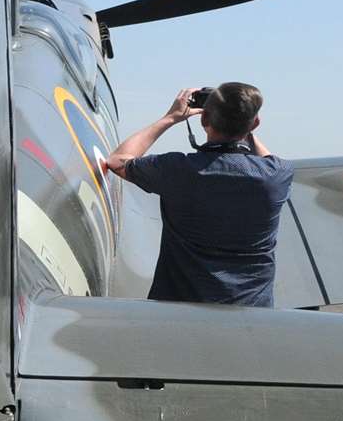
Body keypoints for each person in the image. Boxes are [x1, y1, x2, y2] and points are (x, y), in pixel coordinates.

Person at [100, 83, 294, 307]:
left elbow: (117, 160)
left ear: (204, 121)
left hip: (180, 316)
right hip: (251, 317)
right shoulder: (276, 175)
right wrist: (244, 122)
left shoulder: (178, 170)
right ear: (255, 124)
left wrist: (171, 118)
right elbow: (267, 158)